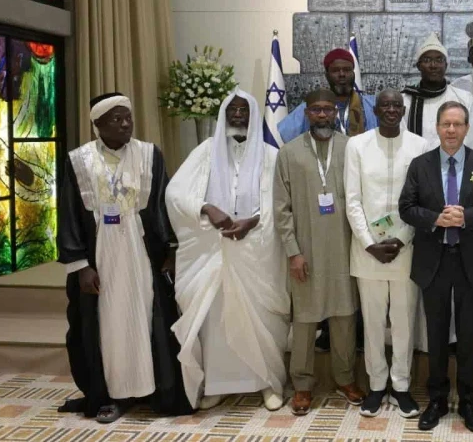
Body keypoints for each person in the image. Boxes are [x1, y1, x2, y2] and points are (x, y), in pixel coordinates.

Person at [57, 92, 191, 422]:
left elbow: (164, 202)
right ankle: (109, 395)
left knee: (148, 317)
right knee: (107, 326)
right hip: (101, 254)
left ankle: (153, 390)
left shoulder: (149, 155)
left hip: (142, 252)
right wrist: (81, 266)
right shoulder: (79, 160)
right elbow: (70, 213)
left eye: (128, 117)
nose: (125, 123)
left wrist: (171, 249)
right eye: (116, 119)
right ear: (97, 124)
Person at [167, 90, 289, 412]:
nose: (238, 116)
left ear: (253, 116)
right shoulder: (205, 152)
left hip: (256, 256)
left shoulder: (270, 155)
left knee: (261, 320)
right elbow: (175, 193)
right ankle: (218, 383)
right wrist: (207, 208)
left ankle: (266, 382)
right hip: (214, 252)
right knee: (216, 320)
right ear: (224, 115)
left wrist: (254, 221)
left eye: (244, 110)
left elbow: (280, 203)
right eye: (232, 110)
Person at [399, 101, 473, 433]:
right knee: (437, 334)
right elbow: (406, 207)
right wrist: (435, 219)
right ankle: (438, 400)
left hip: (470, 261)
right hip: (434, 262)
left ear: (467, 128)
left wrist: (468, 217)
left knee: (470, 334)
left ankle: (469, 401)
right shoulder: (420, 165)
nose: (451, 130)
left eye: (458, 124)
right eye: (446, 124)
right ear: (437, 127)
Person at [273, 88, 365, 415]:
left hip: (344, 249)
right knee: (305, 321)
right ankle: (302, 385)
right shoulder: (289, 153)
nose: (323, 115)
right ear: (307, 113)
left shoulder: (351, 149)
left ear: (336, 112)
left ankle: (344, 378)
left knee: (344, 317)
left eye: (328, 109)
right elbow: (281, 210)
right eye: (316, 110)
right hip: (306, 251)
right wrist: (292, 252)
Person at [344, 89, 427, 418]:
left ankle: (402, 386)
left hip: (405, 248)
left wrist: (403, 238)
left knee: (405, 321)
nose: (391, 110)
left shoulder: (420, 146)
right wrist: (369, 243)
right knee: (374, 321)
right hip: (368, 252)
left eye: (396, 105)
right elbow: (352, 199)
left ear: (403, 109)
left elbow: (423, 199)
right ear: (375, 110)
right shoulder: (357, 145)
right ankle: (377, 386)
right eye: (385, 105)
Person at [277, 48, 377, 142]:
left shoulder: (373, 106)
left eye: (347, 70)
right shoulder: (312, 107)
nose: (342, 74)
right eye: (335, 70)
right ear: (327, 75)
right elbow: (285, 135)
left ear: (353, 74)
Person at [402, 33, 473, 147]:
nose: (433, 65)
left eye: (439, 60)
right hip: (415, 163)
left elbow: (471, 140)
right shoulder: (405, 100)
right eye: (427, 60)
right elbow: (402, 140)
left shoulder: (463, 98)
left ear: (446, 65)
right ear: (418, 66)